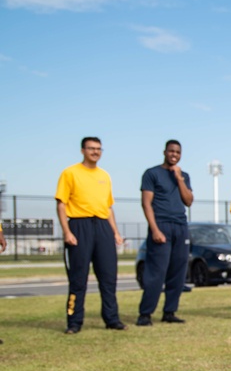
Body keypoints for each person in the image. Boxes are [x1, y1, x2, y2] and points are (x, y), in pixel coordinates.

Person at [55, 137, 127, 334]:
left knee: (108, 277)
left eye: (98, 149)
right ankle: (74, 321)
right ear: (82, 150)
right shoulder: (70, 173)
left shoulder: (104, 175)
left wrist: (115, 232)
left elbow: (108, 207)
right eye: (91, 148)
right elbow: (61, 204)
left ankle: (112, 319)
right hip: (79, 225)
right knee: (78, 279)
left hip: (102, 226)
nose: (95, 152)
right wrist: (67, 231)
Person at [137, 139, 194, 326]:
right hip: (161, 224)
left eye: (177, 152)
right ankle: (145, 314)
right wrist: (154, 229)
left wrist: (179, 179)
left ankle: (169, 311)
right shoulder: (152, 173)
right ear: (164, 152)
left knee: (178, 271)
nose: (174, 155)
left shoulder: (183, 176)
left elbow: (188, 201)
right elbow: (146, 203)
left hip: (180, 226)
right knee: (156, 272)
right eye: (171, 151)